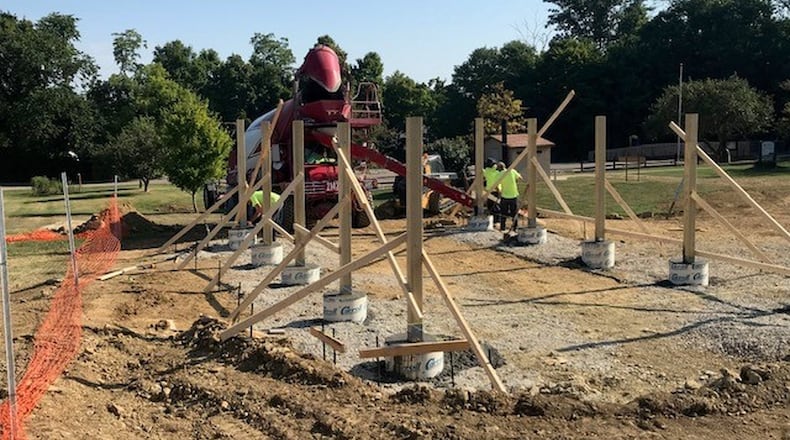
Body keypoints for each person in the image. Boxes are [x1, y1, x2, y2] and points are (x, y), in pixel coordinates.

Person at [496, 161, 522, 231]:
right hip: (514, 195)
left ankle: (502, 227)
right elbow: (520, 178)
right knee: (514, 213)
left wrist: (499, 190)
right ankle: (515, 227)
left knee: (503, 213)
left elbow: (497, 184)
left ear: (499, 169)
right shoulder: (512, 171)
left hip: (504, 196)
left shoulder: (499, 174)